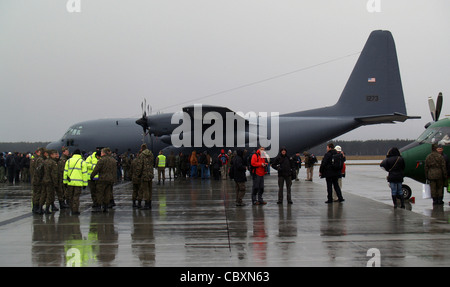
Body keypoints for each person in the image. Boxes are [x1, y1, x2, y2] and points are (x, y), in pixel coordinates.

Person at [90, 148, 117, 212]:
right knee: (107, 193)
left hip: (102, 179)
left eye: (101, 152)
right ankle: (105, 207)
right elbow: (115, 171)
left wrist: (92, 176)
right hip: (110, 179)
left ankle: (99, 207)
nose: (101, 154)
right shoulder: (113, 160)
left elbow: (97, 169)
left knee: (100, 192)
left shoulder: (101, 160)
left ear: (104, 153)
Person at [63, 149, 88, 215]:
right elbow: (84, 173)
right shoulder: (82, 162)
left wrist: (65, 182)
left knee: (70, 197)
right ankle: (75, 210)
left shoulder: (68, 161)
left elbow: (65, 172)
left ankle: (71, 209)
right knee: (76, 197)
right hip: (78, 183)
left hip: (70, 182)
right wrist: (85, 184)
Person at [39, 149, 60, 214]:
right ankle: (47, 208)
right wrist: (56, 183)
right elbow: (54, 174)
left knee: (43, 194)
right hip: (50, 181)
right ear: (51, 155)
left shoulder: (45, 161)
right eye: (54, 154)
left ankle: (40, 208)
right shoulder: (53, 163)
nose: (55, 155)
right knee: (49, 195)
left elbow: (41, 171)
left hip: (44, 180)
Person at [134, 145, 154, 209]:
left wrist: (137, 175)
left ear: (142, 148)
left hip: (144, 175)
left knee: (145, 190)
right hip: (150, 174)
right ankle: (150, 203)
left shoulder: (141, 155)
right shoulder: (151, 154)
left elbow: (140, 166)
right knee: (150, 189)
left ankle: (146, 204)